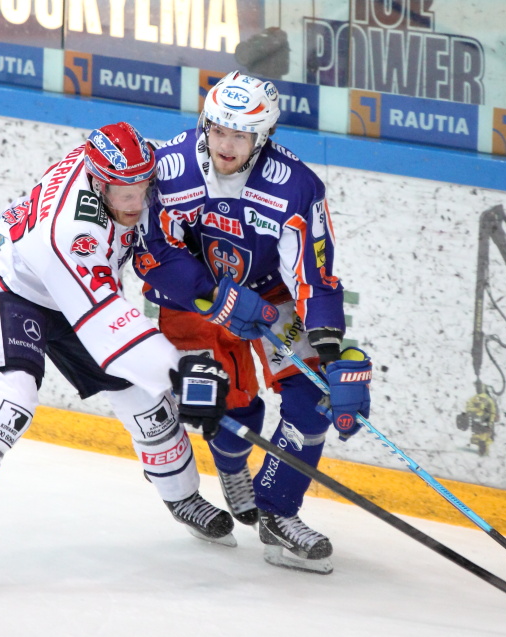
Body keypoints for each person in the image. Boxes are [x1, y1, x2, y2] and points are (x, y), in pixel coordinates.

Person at [0, 122, 235, 593]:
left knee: (142, 398)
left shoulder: (127, 170)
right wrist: (181, 372)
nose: (136, 203)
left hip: (76, 296)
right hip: (11, 289)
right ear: (98, 182)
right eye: (123, 193)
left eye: (143, 188)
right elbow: (106, 323)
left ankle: (183, 498)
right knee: (9, 402)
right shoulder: (69, 230)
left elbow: (189, 156)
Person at [132, 71, 373, 574]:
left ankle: (278, 513)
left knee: (313, 402)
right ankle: (231, 465)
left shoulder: (296, 186)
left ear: (262, 137)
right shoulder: (171, 168)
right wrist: (210, 295)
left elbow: (313, 274)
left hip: (269, 298)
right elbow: (154, 251)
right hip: (196, 297)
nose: (225, 144)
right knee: (230, 403)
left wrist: (331, 353)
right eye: (217, 129)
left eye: (240, 135)